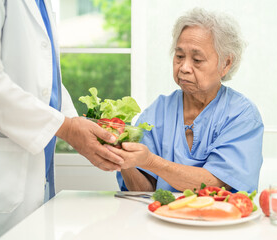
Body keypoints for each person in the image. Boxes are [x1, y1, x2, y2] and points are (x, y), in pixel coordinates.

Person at [0, 1, 123, 239]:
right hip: (0, 180)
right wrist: (67, 128)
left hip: (37, 172)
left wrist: (79, 127)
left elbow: (45, 82)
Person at [109, 8, 264, 193]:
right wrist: (122, 155)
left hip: (217, 220)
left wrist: (150, 160)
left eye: (197, 59)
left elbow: (213, 185)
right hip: (161, 219)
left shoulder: (242, 115)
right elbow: (143, 192)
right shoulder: (158, 111)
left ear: (226, 64)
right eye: (179, 56)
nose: (184, 67)